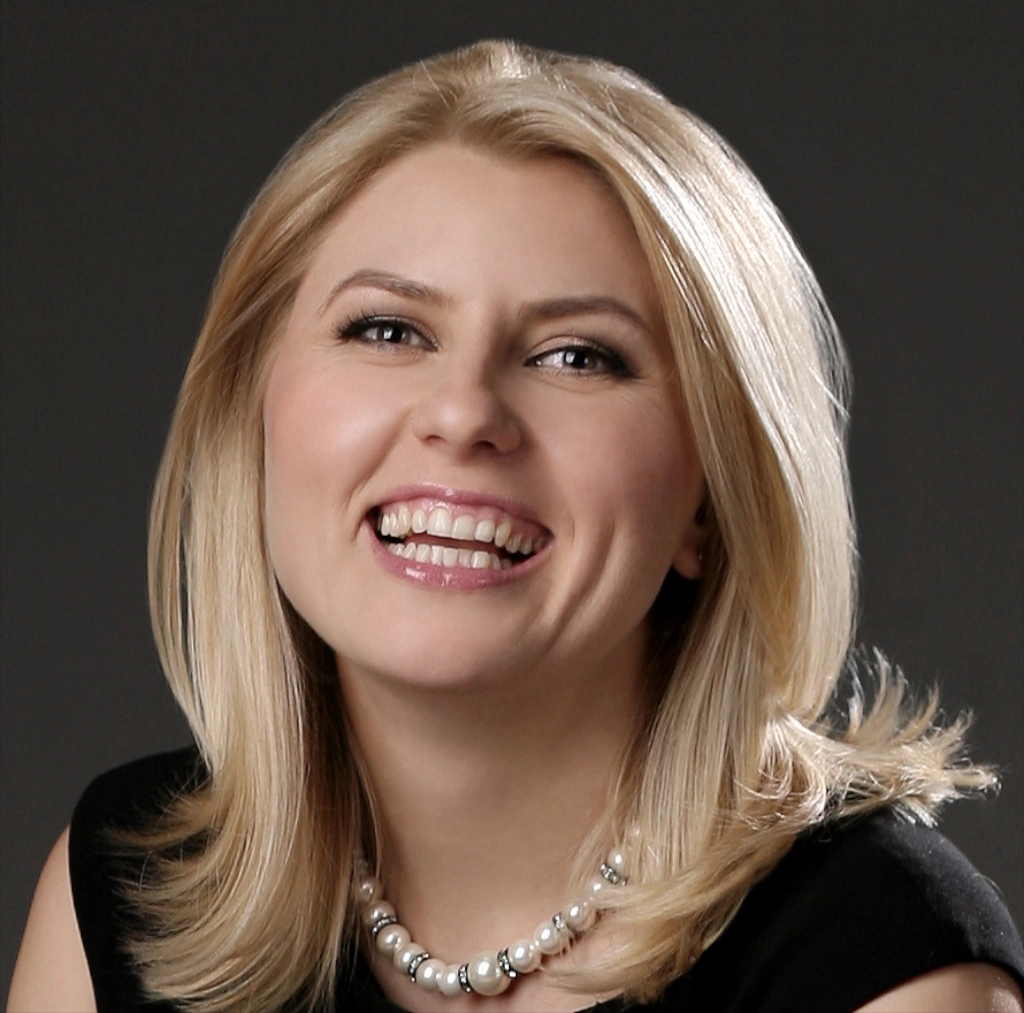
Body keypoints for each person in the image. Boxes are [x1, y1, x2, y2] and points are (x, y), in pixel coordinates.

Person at [7, 39, 1023, 1013]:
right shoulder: (124, 887)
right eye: (388, 329)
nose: (463, 414)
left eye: (577, 355)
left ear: (713, 499)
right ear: (254, 419)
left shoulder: (880, 958)